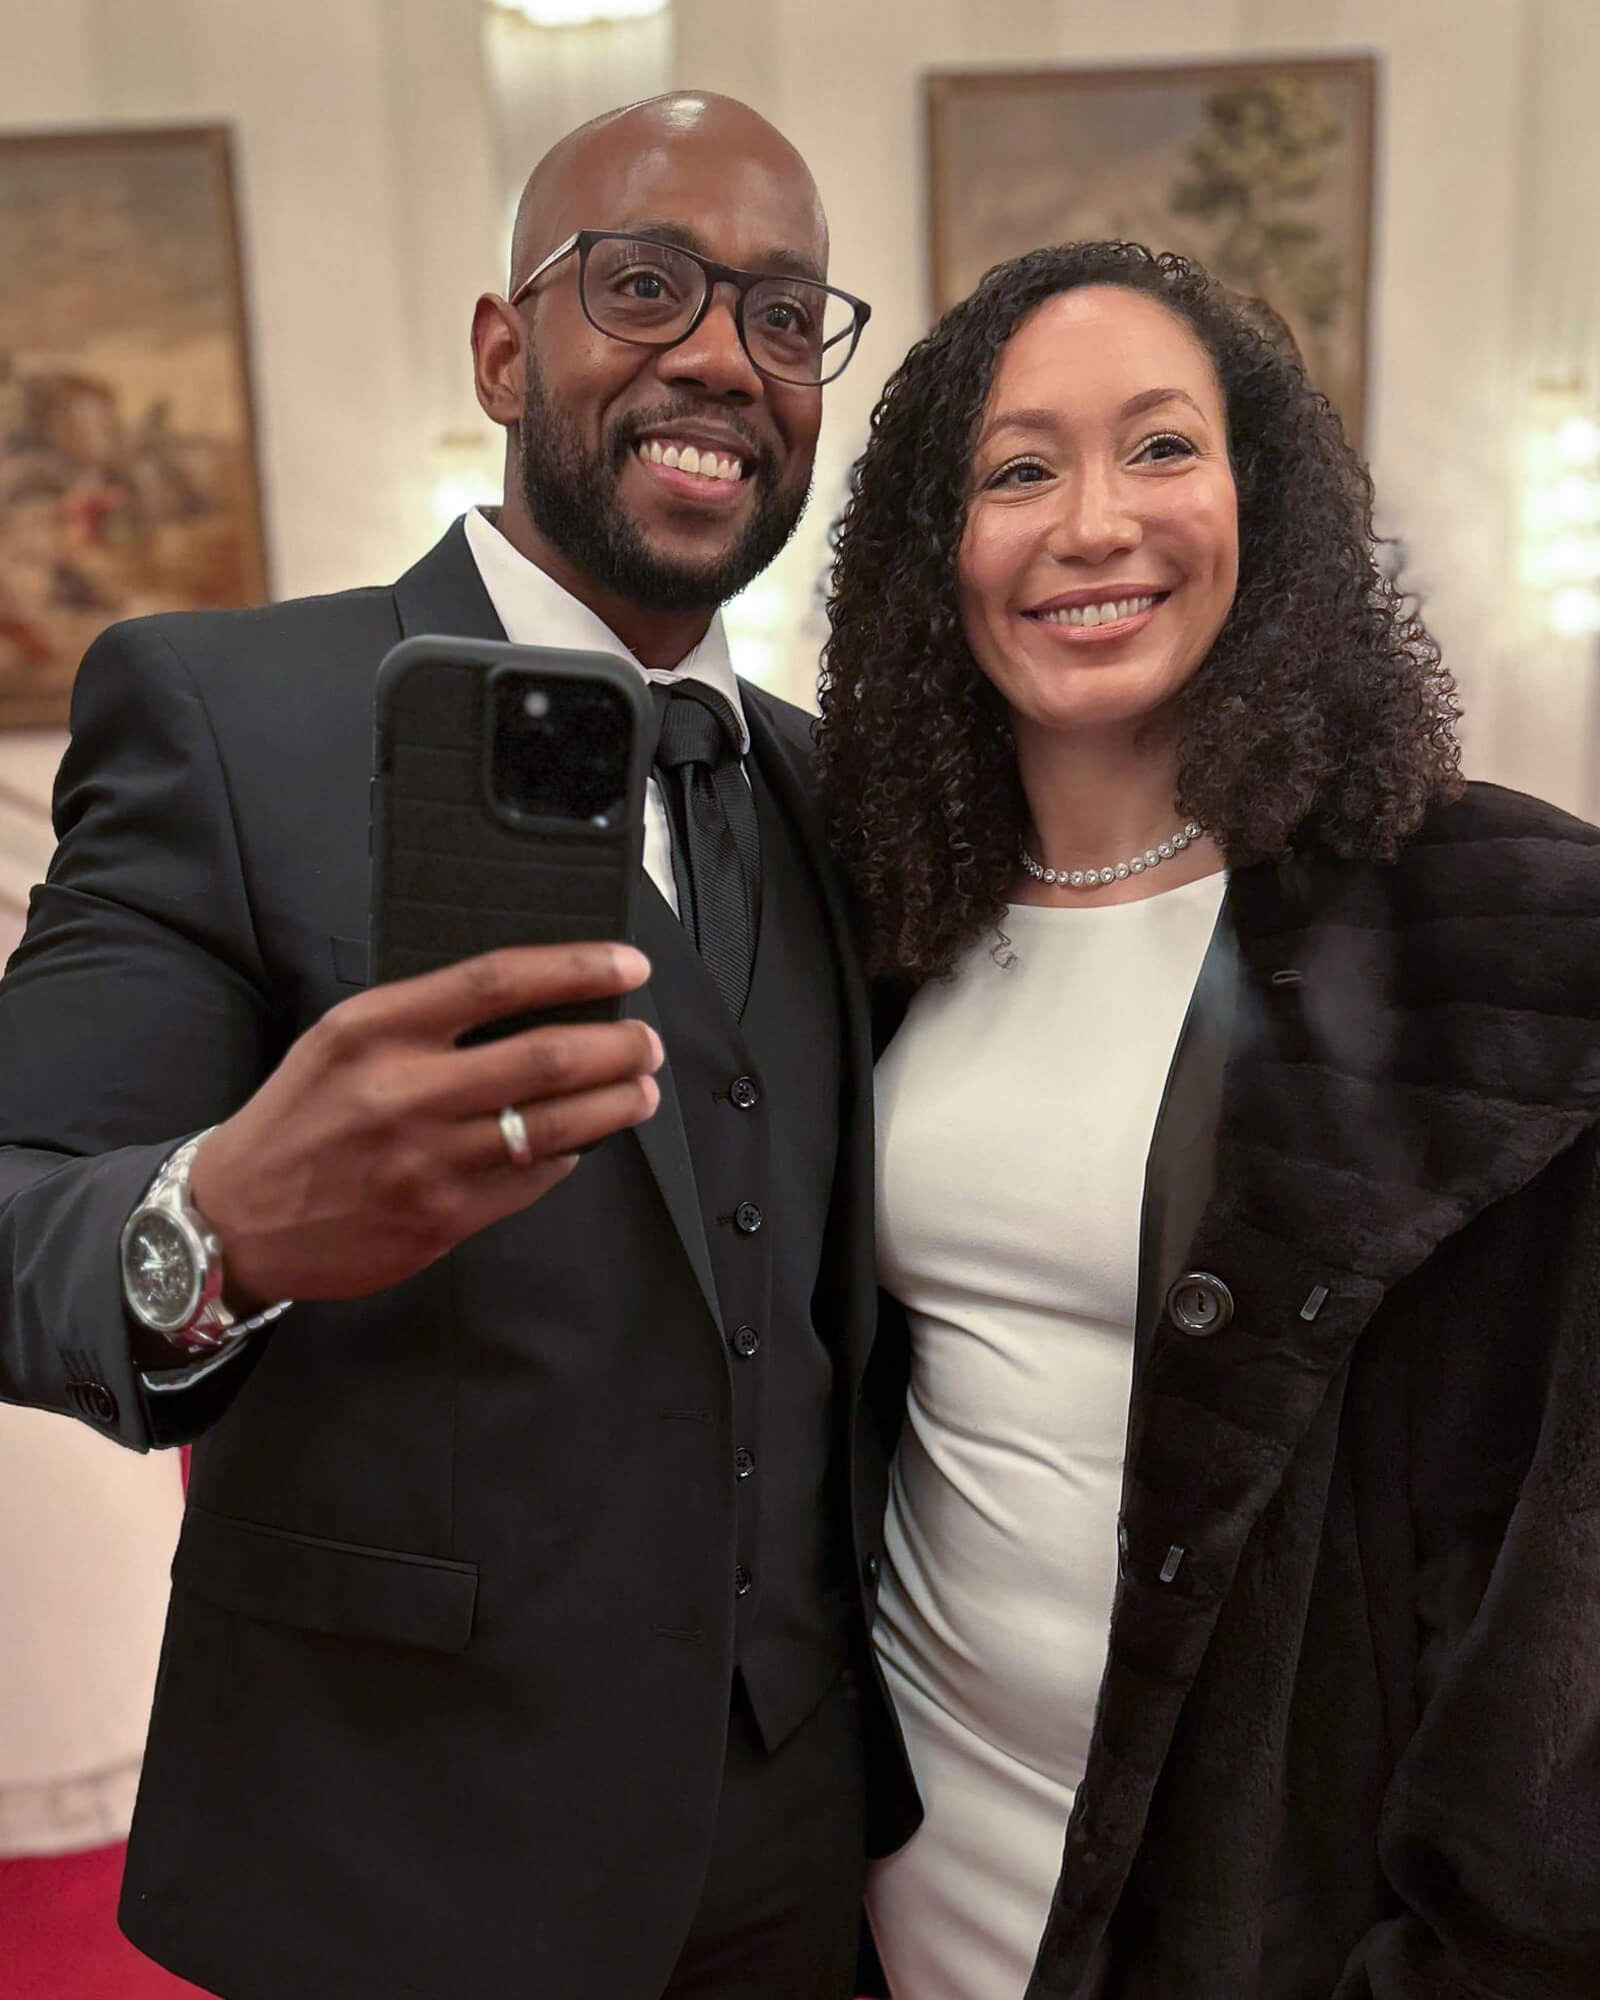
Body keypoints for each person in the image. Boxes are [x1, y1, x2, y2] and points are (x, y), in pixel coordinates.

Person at [0, 92, 919, 2000]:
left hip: (799, 1850)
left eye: (781, 314)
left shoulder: (841, 795)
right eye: (645, 285)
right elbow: (14, 1212)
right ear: (505, 352)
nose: (719, 357)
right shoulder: (230, 713)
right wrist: (214, 1224)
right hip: (397, 1862)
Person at [816, 239, 1600, 1999]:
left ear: (1268, 504)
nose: (1093, 524)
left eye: (1162, 446)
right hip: (903, 1878)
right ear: (936, 551)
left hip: (1264, 1916)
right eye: (1017, 471)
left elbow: (1563, 1611)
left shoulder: (1504, 935)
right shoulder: (881, 923)